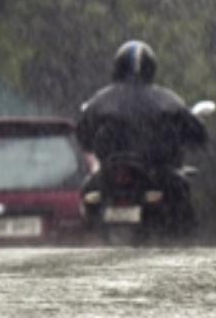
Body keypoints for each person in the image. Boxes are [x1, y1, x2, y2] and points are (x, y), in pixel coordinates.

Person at [75, 40, 208, 233]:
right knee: (182, 194)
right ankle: (183, 239)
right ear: (151, 69)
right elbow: (197, 133)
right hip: (156, 171)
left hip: (114, 173)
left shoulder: (100, 100)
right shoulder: (167, 100)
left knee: (89, 191)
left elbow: (83, 136)